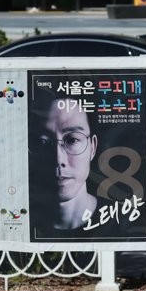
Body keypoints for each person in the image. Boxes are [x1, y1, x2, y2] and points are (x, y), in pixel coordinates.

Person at [28, 95, 100, 235]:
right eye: (42, 142)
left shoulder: (122, 222)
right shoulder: (21, 222)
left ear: (93, 147)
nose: (58, 159)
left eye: (72, 140)